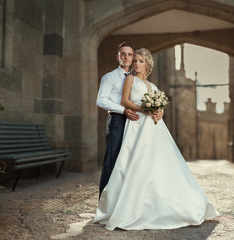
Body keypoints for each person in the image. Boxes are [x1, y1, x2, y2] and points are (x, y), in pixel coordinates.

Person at [93, 48, 218, 230]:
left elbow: (160, 106)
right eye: (135, 60)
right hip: (137, 125)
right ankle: (130, 207)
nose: (136, 63)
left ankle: (166, 204)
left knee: (161, 163)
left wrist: (159, 112)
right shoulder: (130, 79)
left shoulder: (154, 86)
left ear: (148, 64)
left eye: (140, 61)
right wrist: (144, 110)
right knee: (136, 163)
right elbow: (124, 101)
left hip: (154, 127)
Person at [96, 42, 164, 198]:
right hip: (117, 120)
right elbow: (100, 101)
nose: (127, 57)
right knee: (113, 161)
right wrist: (123, 110)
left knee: (131, 162)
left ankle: (128, 199)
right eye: (123, 54)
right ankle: (105, 202)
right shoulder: (110, 77)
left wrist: (158, 111)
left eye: (130, 54)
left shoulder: (137, 79)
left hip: (136, 122)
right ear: (118, 56)